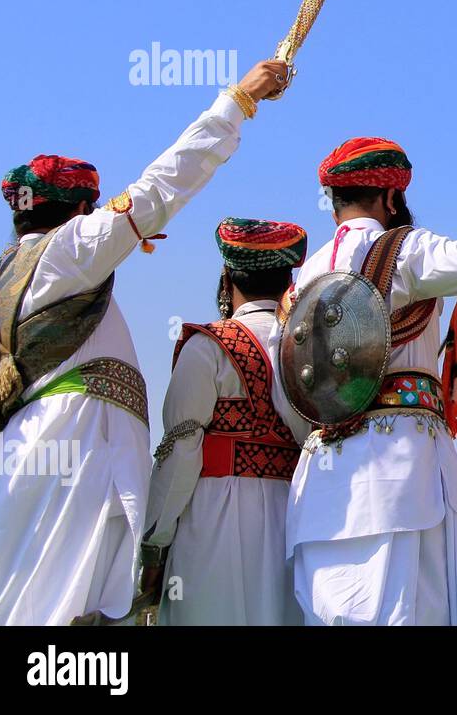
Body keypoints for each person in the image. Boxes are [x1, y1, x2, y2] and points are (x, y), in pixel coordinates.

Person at [0, 60, 289, 625]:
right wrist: (237, 101)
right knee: (64, 605)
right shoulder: (71, 250)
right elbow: (163, 184)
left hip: (27, 452)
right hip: (74, 444)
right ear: (79, 210)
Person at [279, 137, 457, 625]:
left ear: (334, 203)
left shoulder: (306, 271)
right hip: (398, 476)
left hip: (323, 482)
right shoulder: (402, 247)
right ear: (391, 199)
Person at [141, 218, 312, 624]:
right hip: (299, 518)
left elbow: (180, 450)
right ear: (289, 282)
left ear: (227, 277)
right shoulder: (309, 349)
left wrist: (155, 541)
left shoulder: (207, 347)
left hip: (216, 519)